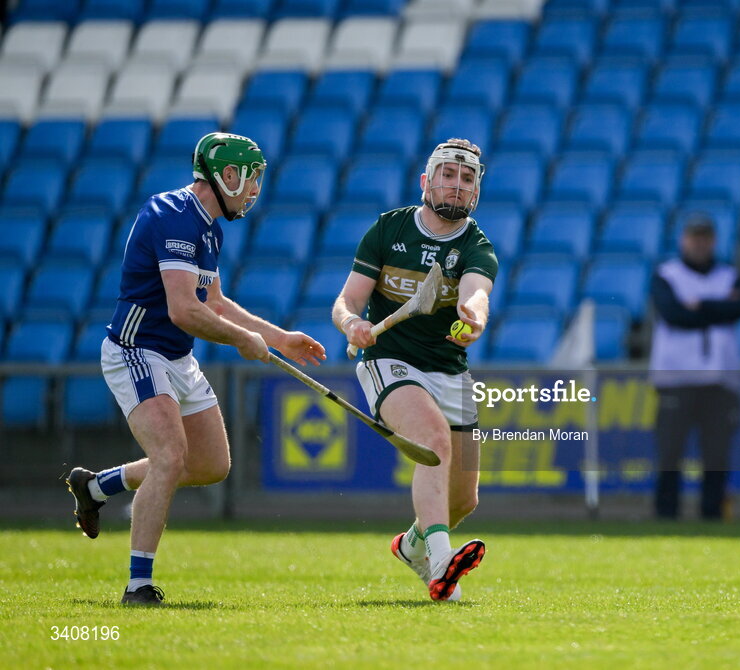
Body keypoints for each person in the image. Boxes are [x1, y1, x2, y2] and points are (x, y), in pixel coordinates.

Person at [65, 132, 327, 605]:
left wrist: (276, 337)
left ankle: (96, 486)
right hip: (136, 349)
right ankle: (138, 585)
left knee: (211, 465)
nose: (253, 192)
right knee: (170, 455)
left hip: (176, 356)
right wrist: (243, 341)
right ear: (227, 175)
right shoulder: (172, 216)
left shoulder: (209, 227)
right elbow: (185, 309)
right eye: (250, 180)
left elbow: (215, 302)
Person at [333, 138, 496, 602]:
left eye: (467, 178)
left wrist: (474, 318)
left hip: (449, 369)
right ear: (427, 181)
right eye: (448, 174)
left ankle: (411, 546)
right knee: (433, 440)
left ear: (476, 191)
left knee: (463, 500)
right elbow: (347, 301)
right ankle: (443, 568)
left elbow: (476, 293)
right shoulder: (389, 230)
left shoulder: (477, 246)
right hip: (390, 361)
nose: (457, 185)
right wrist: (352, 323)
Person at [650, 216, 740, 522]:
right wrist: (718, 307)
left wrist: (700, 305)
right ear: (683, 240)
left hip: (719, 381)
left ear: (714, 241)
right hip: (675, 378)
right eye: (694, 237)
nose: (700, 243)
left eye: (705, 237)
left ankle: (712, 514)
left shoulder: (729, 274)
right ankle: (666, 515)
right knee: (669, 453)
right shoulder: (667, 274)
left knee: (716, 455)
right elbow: (673, 313)